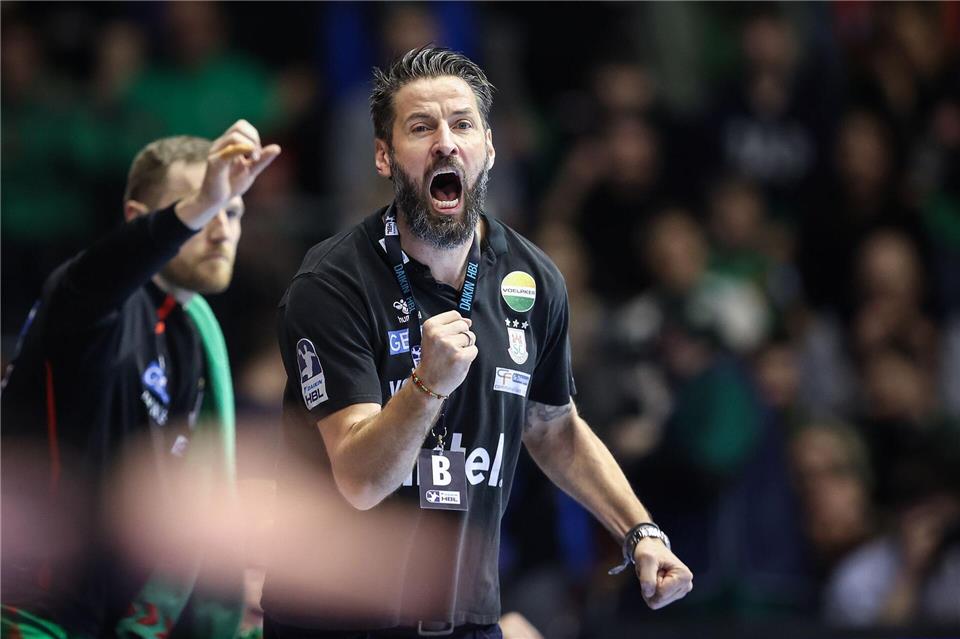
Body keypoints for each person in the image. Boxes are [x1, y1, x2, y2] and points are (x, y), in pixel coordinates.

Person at [263, 46, 692, 639]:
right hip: (339, 620)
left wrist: (640, 531)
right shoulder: (333, 283)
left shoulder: (532, 278)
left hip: (463, 616)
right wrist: (425, 386)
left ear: (488, 148)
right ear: (384, 157)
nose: (445, 142)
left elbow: (552, 427)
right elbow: (361, 481)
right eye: (421, 127)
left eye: (462, 124)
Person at [1, 121, 280, 638]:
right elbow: (102, 273)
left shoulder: (192, 335)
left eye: (233, 209)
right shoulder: (86, 301)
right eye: (204, 206)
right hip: (31, 613)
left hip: (119, 620)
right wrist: (191, 210)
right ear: (137, 218)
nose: (221, 227)